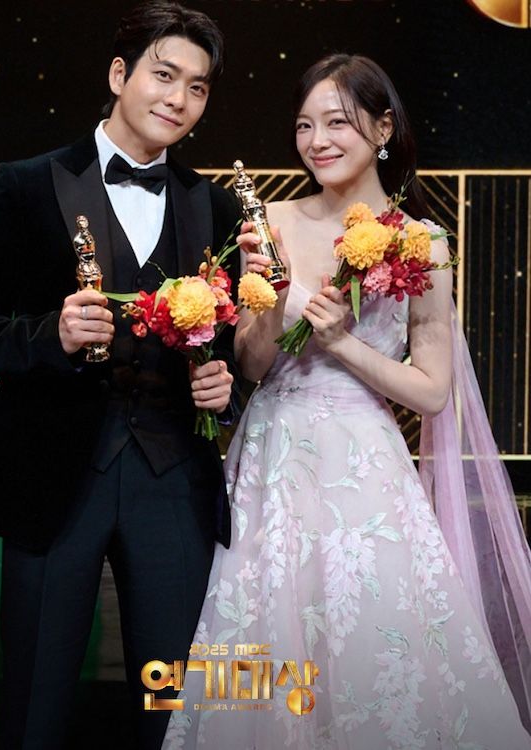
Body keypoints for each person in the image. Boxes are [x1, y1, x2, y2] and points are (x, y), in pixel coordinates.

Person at [163, 54, 531, 749]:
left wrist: (339, 342)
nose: (318, 141)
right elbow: (253, 364)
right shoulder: (269, 221)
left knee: (377, 649)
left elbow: (432, 391)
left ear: (383, 128)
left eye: (337, 122)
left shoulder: (422, 242)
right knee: (267, 633)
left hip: (365, 469)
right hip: (272, 457)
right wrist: (267, 302)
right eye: (305, 125)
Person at [0, 2, 242, 748]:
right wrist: (51, 333)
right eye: (164, 75)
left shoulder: (215, 207)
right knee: (36, 704)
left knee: (172, 705)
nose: (178, 99)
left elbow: (230, 343)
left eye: (198, 87)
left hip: (173, 479)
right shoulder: (24, 186)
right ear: (119, 75)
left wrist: (226, 383)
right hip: (52, 475)